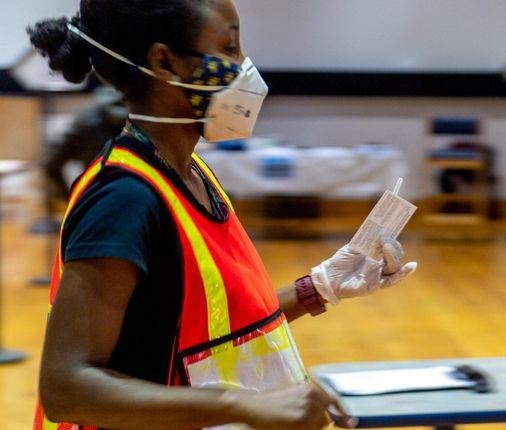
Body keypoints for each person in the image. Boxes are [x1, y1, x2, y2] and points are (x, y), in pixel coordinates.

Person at [27, 1, 417, 429]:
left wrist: (320, 288)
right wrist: (240, 406)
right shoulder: (123, 197)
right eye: (229, 48)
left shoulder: (193, 172)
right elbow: (65, 386)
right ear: (165, 61)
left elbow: (212, 332)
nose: (244, 66)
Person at [43, 86, 128, 200]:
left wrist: (71, 199)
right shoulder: (139, 119)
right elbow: (52, 165)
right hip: (137, 190)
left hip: (97, 193)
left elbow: (52, 164)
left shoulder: (85, 119)